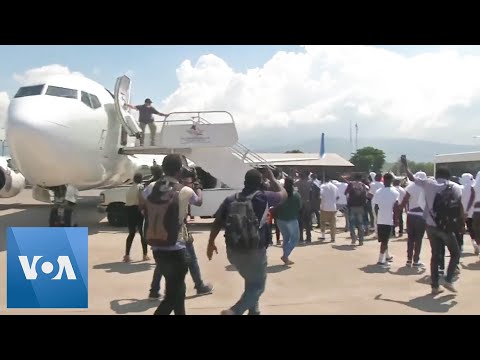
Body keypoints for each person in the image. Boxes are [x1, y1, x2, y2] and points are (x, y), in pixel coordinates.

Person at [207, 168, 287, 315]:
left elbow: (217, 222)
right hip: (255, 250)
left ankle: (254, 311)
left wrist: (210, 243)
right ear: (261, 182)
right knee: (258, 286)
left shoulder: (231, 199)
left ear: (244, 182)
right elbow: (284, 194)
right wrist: (273, 179)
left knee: (250, 280)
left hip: (234, 250)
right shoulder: (263, 197)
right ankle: (234, 311)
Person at [140, 154, 193, 315]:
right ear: (179, 171)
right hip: (177, 250)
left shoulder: (150, 188)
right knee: (172, 296)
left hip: (157, 247)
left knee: (178, 290)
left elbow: (142, 206)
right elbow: (198, 201)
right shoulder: (184, 190)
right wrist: (196, 186)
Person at [402, 155, 463, 294]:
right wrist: (461, 224)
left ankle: (435, 286)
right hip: (446, 227)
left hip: (430, 226)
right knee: (455, 253)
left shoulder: (428, 184)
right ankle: (448, 279)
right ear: (448, 176)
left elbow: (412, 178)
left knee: (435, 255)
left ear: (436, 175)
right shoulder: (454, 187)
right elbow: (459, 207)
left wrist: (405, 165)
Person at [400, 171, 427, 267]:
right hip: (421, 216)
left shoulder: (410, 187)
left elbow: (405, 200)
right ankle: (416, 260)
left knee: (410, 238)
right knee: (418, 239)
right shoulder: (426, 187)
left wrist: (400, 210)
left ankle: (408, 259)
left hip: (411, 215)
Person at [372, 173, 399, 267]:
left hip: (380, 218)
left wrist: (377, 216)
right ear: (391, 180)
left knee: (384, 239)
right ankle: (381, 259)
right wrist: (396, 219)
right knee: (385, 240)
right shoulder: (395, 192)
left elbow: (375, 206)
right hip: (389, 218)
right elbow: (396, 208)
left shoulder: (378, 191)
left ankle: (386, 256)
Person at [274, 176, 302, 265]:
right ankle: (285, 255)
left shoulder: (280, 194)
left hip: (280, 219)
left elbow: (276, 206)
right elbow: (299, 207)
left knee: (286, 237)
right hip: (291, 219)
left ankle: (286, 257)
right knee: (295, 238)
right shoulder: (296, 195)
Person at [123, 173, 149, 263]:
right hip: (137, 210)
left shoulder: (129, 188)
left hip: (128, 210)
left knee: (131, 233)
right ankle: (145, 255)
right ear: (141, 179)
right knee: (142, 233)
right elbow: (141, 198)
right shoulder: (140, 187)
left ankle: (126, 255)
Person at [345, 173, 368, 246]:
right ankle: (361, 240)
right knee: (360, 224)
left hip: (352, 207)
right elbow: (366, 195)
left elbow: (345, 193)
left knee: (352, 224)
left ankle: (353, 238)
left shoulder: (351, 184)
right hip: (361, 207)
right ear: (361, 178)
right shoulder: (363, 185)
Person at [295, 171, 313, 243]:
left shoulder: (297, 183)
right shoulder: (310, 183)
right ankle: (308, 237)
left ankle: (301, 238)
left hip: (300, 204)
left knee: (300, 222)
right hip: (308, 204)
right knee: (308, 222)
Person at [459, 173, 476, 253]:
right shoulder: (474, 188)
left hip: (461, 212)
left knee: (461, 230)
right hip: (472, 213)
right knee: (472, 230)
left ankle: (460, 246)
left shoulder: (460, 188)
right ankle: (475, 243)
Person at [319, 176, 339, 242]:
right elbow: (337, 197)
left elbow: (320, 196)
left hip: (324, 207)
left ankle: (323, 235)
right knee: (333, 224)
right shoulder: (335, 187)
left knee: (322, 222)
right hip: (333, 207)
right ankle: (333, 238)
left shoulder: (322, 186)